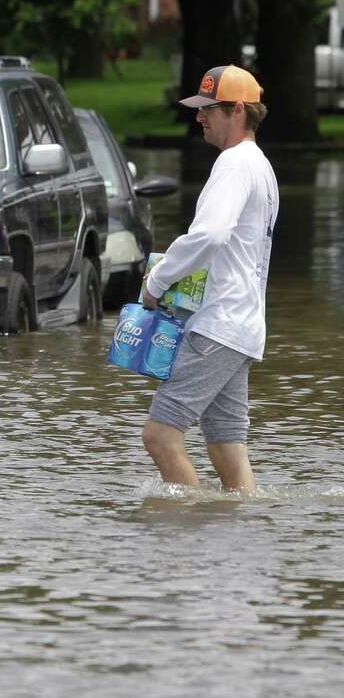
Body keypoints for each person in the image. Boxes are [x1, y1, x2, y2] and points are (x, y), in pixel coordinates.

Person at [140, 64, 279, 493]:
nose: (199, 117)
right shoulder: (261, 166)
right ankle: (237, 547)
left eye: (208, 109)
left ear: (238, 110)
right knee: (226, 447)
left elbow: (211, 235)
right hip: (242, 328)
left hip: (218, 326)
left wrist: (157, 281)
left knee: (160, 435)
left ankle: (189, 539)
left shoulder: (234, 164)